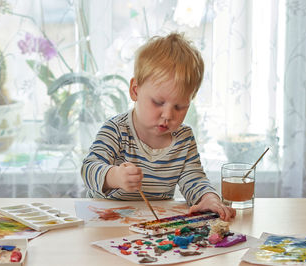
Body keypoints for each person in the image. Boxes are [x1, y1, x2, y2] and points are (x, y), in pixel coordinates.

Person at [81, 32, 236, 221]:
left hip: (153, 225)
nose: (168, 115)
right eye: (157, 102)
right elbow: (88, 169)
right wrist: (114, 176)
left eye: (179, 107)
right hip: (106, 221)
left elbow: (193, 180)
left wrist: (209, 198)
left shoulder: (183, 138)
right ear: (135, 90)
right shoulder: (116, 129)